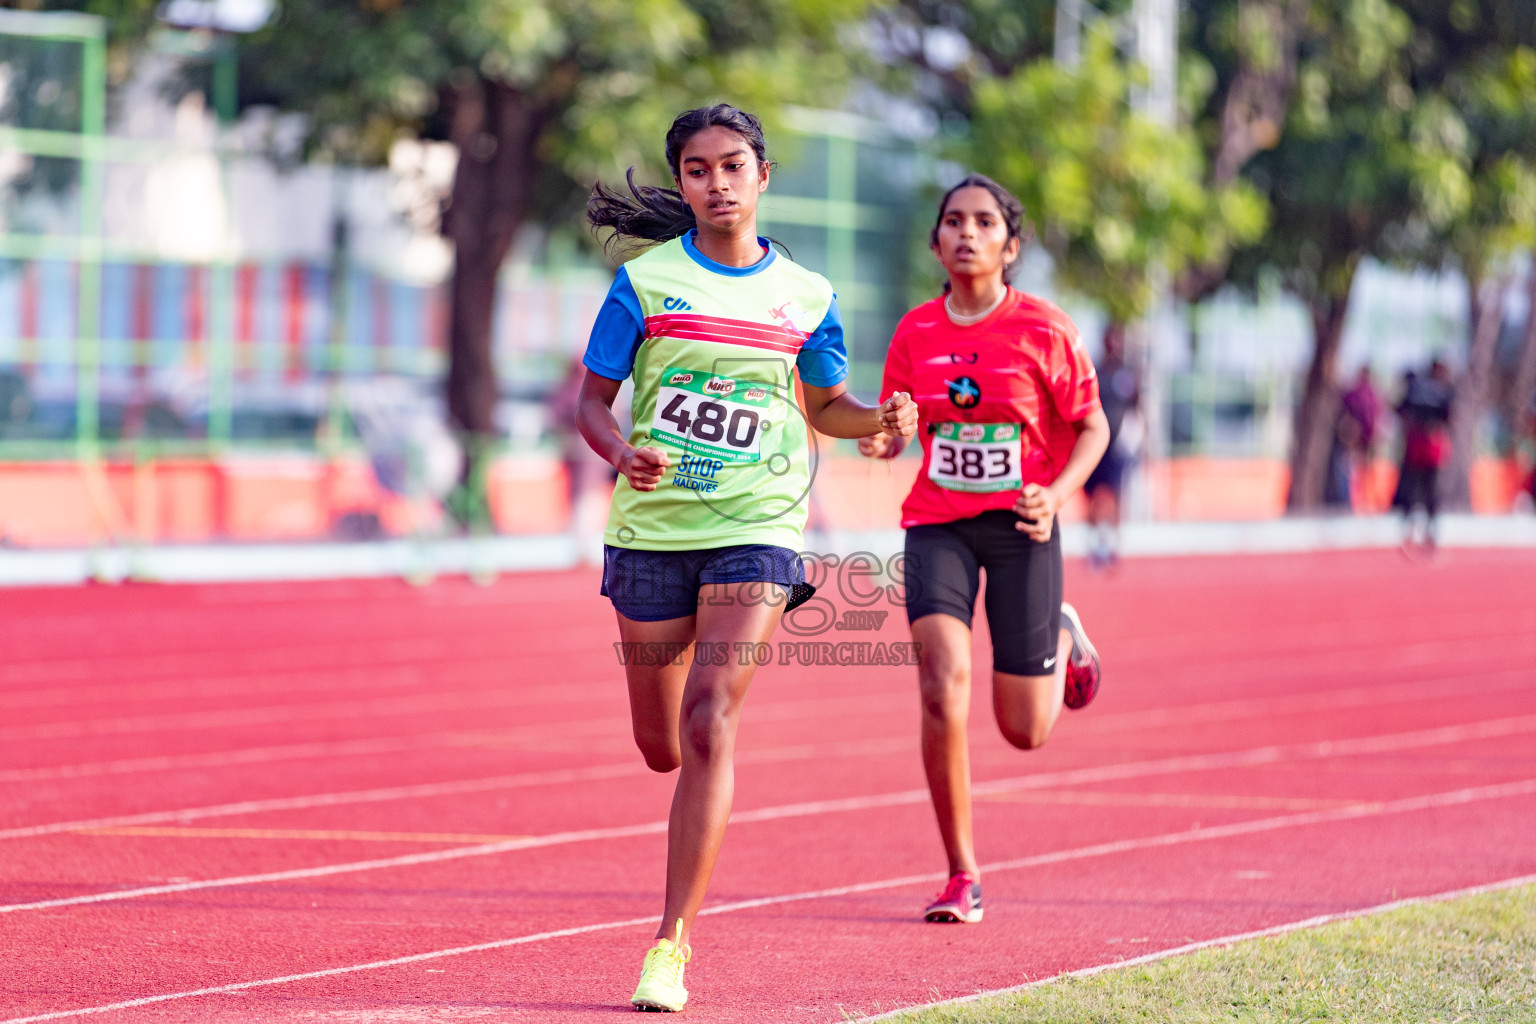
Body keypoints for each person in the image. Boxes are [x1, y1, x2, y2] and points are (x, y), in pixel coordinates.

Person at [575, 104, 917, 1013]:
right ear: (681, 182)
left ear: (763, 176)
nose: (717, 183)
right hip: (652, 531)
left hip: (760, 524)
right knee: (659, 747)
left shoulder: (806, 295)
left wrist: (878, 421)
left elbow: (827, 407)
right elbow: (589, 406)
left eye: (732, 166)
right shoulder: (645, 284)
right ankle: (673, 857)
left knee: (708, 722)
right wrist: (621, 453)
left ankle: (670, 945)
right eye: (697, 169)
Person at [858, 174, 1111, 925]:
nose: (967, 232)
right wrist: (882, 437)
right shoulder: (915, 333)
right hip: (937, 523)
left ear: (1011, 244)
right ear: (937, 242)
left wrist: (1057, 495)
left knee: (1024, 730)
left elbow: (1093, 428)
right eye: (953, 222)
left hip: (1022, 527)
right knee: (942, 682)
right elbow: (897, 426)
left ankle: (1062, 633)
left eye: (984, 222)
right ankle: (960, 873)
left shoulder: (1046, 330)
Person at [1083, 322, 1140, 567]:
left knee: (1116, 494)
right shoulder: (1093, 371)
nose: (1114, 345)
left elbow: (1137, 407)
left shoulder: (1127, 374)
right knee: (1092, 496)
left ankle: (1115, 545)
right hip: (1096, 445)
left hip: (1118, 447)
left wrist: (1134, 437)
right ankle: (1096, 546)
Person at [1392, 359, 1453, 553]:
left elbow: (1399, 409)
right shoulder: (1441, 391)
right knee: (1431, 490)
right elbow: (1449, 417)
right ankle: (1429, 533)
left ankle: (1408, 532)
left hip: (1415, 444)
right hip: (1431, 446)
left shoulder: (1415, 388)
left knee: (1411, 487)